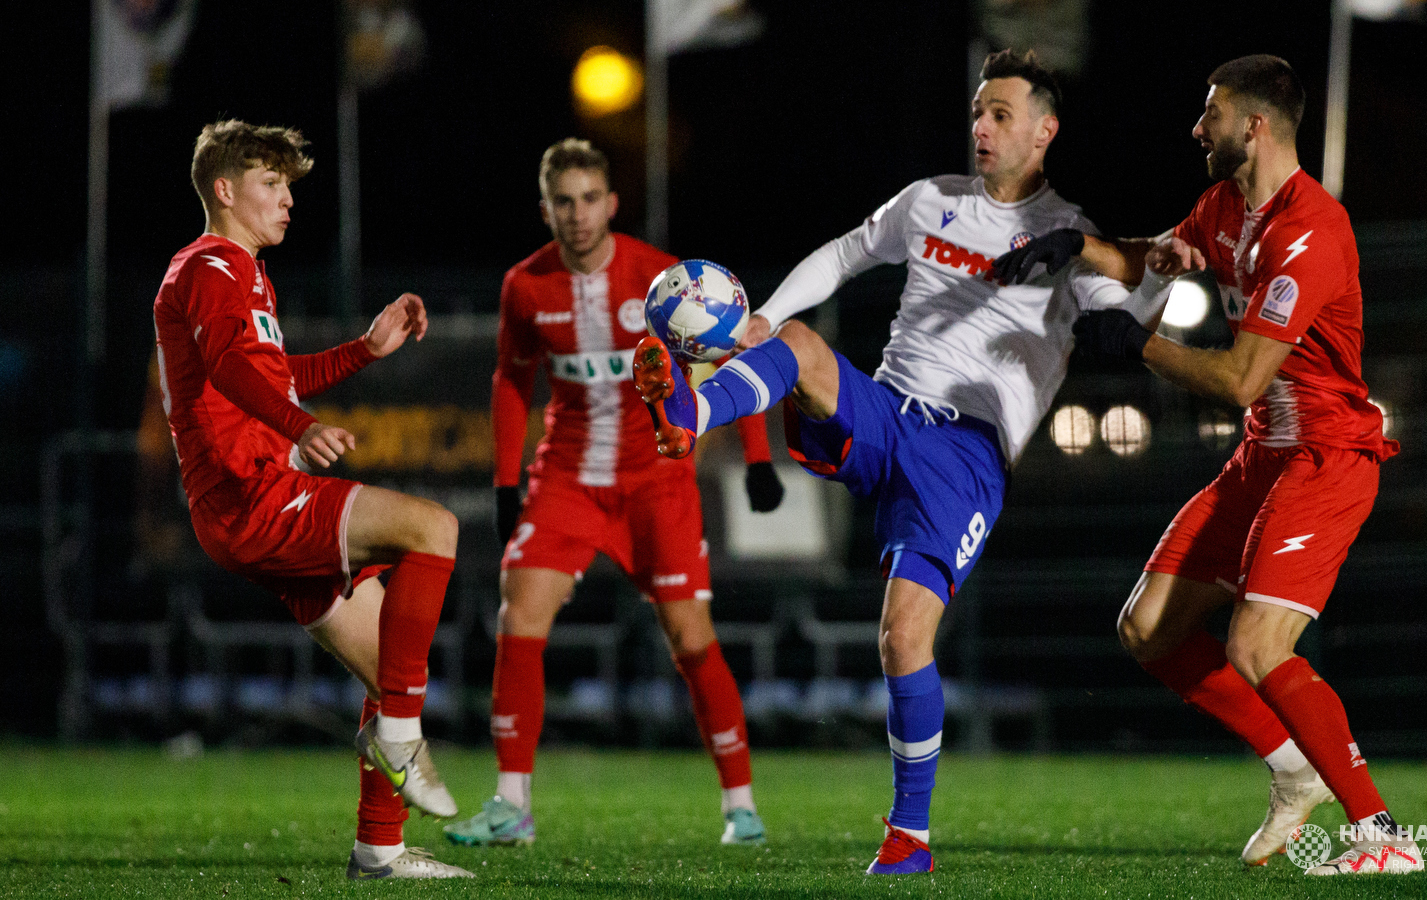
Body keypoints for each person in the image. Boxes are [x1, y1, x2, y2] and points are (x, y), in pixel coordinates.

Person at [632, 51, 1166, 874]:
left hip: (965, 454)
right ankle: (688, 413)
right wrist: (760, 318)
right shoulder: (931, 201)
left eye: (1000, 114)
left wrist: (1128, 282)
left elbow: (1131, 303)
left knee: (902, 638)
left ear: (1044, 130)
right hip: (887, 411)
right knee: (799, 343)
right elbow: (845, 256)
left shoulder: (1069, 235)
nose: (981, 126)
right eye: (978, 111)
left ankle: (909, 836)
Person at [1063, 56, 1421, 876]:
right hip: (1263, 456)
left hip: (1326, 457)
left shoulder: (1312, 231)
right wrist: (1063, 243)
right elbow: (1153, 257)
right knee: (1147, 629)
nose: (1198, 128)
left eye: (1211, 113)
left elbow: (1240, 378)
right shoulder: (1225, 205)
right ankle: (1296, 772)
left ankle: (1383, 837)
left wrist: (1140, 347)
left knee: (1257, 646)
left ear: (1254, 126)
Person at [153, 120, 472, 880]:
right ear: (225, 192)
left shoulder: (244, 274)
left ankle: (379, 850)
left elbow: (270, 374)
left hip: (257, 493)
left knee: (392, 657)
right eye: (272, 184)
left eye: (290, 186)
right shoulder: (206, 267)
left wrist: (365, 349)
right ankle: (398, 736)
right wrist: (300, 428)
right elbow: (231, 369)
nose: (288, 201)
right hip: (251, 497)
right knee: (436, 528)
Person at [444, 139, 780, 850]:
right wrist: (508, 483)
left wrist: (756, 460)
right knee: (519, 616)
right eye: (563, 202)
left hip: (657, 482)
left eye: (589, 198)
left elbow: (730, 357)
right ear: (546, 209)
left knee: (692, 640)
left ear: (611, 203)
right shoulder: (525, 285)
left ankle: (741, 807)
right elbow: (512, 380)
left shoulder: (663, 282)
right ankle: (512, 806)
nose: (577, 214)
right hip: (567, 479)